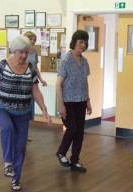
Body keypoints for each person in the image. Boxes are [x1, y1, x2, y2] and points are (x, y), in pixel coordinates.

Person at [0, 35, 51, 191]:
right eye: (21, 52)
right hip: (1, 107)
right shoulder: (2, 66)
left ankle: (16, 178)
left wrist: (44, 110)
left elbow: (36, 91)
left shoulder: (31, 68)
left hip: (22, 112)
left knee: (20, 147)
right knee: (7, 128)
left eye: (26, 52)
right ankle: (8, 163)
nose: (24, 56)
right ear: (14, 50)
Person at [55, 30, 92, 173]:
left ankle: (75, 160)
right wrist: (61, 105)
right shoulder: (66, 60)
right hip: (68, 101)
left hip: (81, 101)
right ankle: (61, 152)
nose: (83, 45)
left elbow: (85, 82)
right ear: (74, 42)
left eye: (85, 42)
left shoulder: (84, 61)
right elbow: (58, 84)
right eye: (80, 41)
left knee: (80, 132)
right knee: (72, 129)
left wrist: (88, 101)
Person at [24, 31, 47, 142]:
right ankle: (19, 133)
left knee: (29, 109)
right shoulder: (22, 50)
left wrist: (41, 79)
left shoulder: (34, 51)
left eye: (34, 39)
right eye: (31, 39)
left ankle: (25, 133)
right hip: (22, 81)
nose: (33, 41)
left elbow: (35, 67)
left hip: (32, 81)